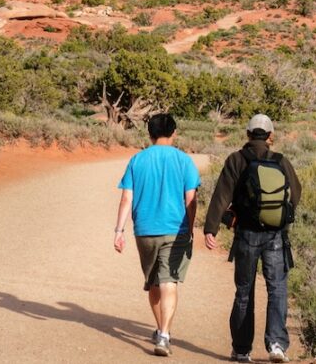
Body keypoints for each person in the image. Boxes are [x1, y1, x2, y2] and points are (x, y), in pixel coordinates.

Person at [203, 114, 301, 363]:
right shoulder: (280, 160)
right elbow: (296, 193)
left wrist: (210, 228)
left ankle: (242, 349)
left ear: (247, 134)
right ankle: (277, 344)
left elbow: (221, 195)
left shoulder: (236, 159)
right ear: (270, 136)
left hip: (246, 235)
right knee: (277, 289)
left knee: (244, 292)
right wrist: (279, 217)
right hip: (276, 236)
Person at [113, 113, 201, 357]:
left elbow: (126, 198)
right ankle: (164, 334)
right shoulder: (184, 161)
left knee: (153, 281)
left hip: (145, 230)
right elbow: (191, 199)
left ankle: (161, 329)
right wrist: (191, 227)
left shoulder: (137, 160)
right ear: (174, 133)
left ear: (150, 134)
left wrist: (119, 231)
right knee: (169, 281)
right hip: (176, 229)